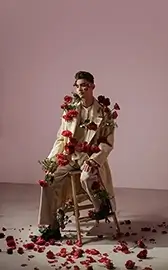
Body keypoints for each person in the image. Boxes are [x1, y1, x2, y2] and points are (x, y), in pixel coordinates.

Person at [38, 71, 117, 240]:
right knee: (49, 178)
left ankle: (101, 207)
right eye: (78, 85)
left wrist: (94, 160)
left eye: (84, 85)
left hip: (90, 157)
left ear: (92, 87)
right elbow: (61, 137)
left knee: (87, 176)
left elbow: (107, 143)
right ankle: (52, 226)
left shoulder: (103, 112)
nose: (80, 89)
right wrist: (52, 159)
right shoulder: (70, 109)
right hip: (70, 156)